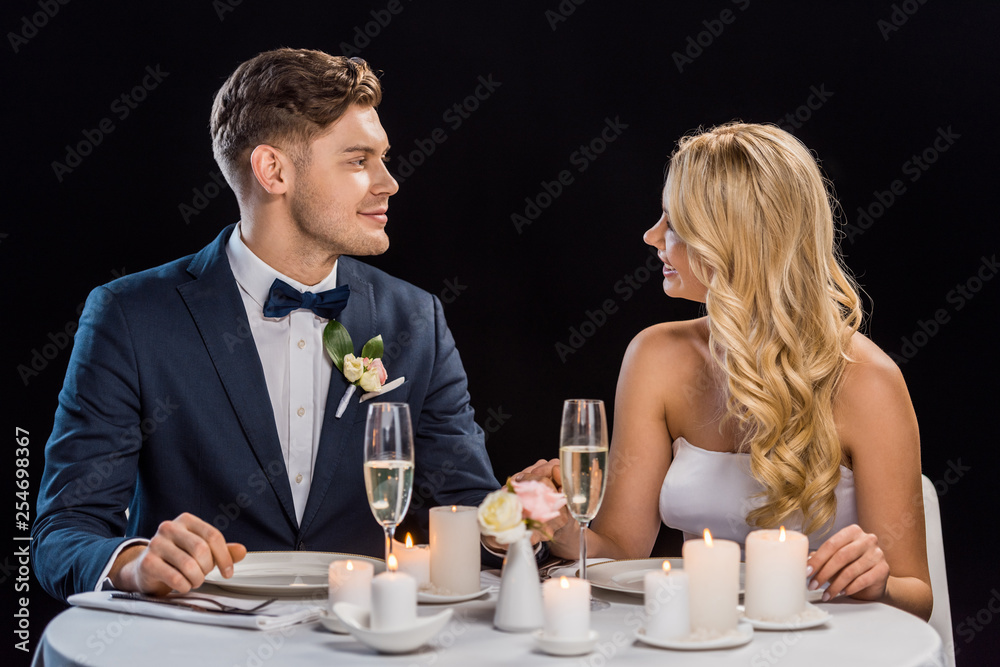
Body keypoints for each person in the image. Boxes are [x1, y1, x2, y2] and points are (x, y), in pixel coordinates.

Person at [32, 48, 500, 601]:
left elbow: (468, 508)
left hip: (366, 645)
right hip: (197, 646)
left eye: (383, 158)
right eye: (358, 160)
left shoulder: (417, 319)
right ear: (273, 170)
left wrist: (522, 516)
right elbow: (62, 533)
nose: (389, 182)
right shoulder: (130, 316)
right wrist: (134, 563)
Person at [523, 122, 933, 620]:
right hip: (697, 638)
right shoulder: (655, 356)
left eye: (672, 223)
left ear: (733, 238)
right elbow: (621, 549)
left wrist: (879, 582)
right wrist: (553, 522)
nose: (651, 236)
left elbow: (917, 596)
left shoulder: (868, 380)